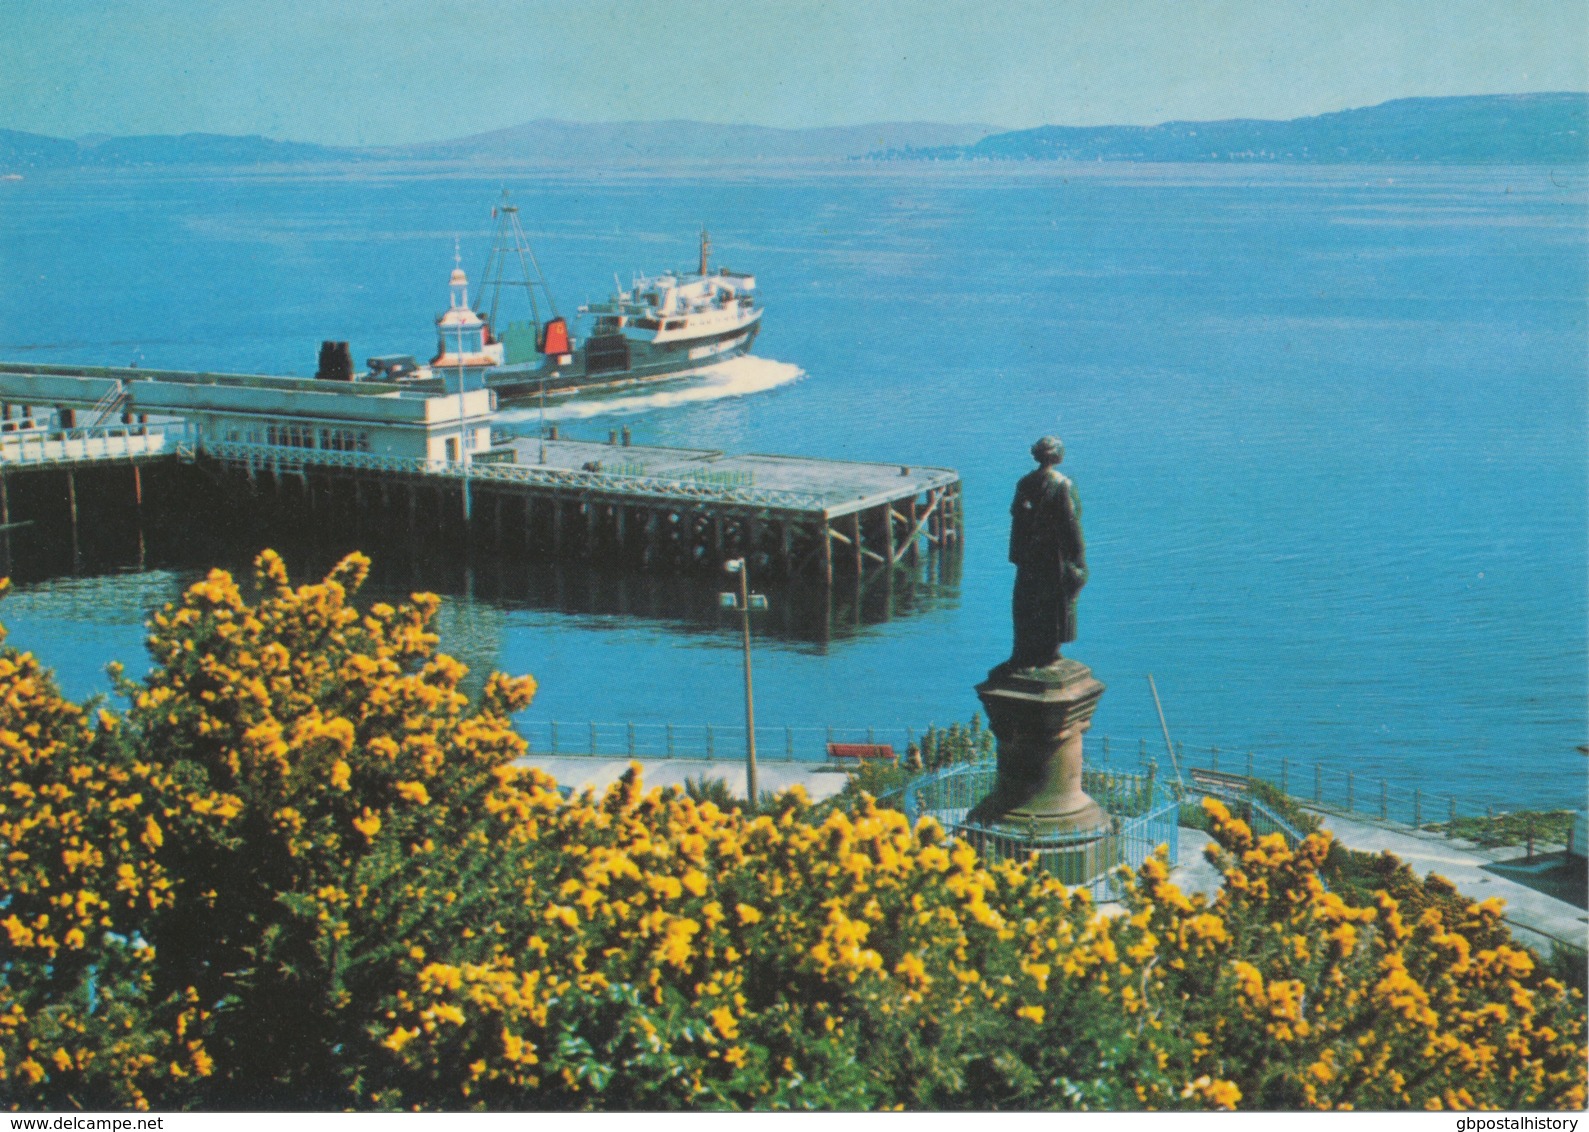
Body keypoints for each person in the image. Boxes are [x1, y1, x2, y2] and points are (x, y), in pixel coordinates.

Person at [1008, 436, 1087, 669]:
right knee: (1054, 604)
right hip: (1054, 556)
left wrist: (1018, 555)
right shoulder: (1063, 484)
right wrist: (1079, 562)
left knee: (1029, 602)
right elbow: (1072, 525)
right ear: (1057, 455)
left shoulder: (1025, 482)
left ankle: (1027, 651)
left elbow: (1017, 519)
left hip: (1031, 556)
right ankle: (1048, 652)